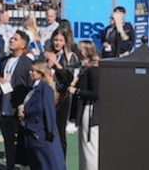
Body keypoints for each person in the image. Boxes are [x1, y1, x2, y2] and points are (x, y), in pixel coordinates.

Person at [19, 58, 65, 170]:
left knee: (48, 165)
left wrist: (50, 132)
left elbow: (49, 111)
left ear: (41, 73)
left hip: (41, 135)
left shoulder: (45, 89)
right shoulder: (33, 89)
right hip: (33, 134)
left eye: (33, 70)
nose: (30, 72)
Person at [0, 31, 34, 170]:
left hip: (17, 109)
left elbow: (30, 87)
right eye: (11, 38)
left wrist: (23, 105)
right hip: (4, 108)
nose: (11, 41)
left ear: (23, 44)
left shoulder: (27, 63)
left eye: (15, 39)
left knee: (19, 142)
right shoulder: (4, 60)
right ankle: (9, 166)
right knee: (8, 142)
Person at [43, 29, 79, 156]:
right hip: (46, 95)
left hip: (61, 97)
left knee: (60, 130)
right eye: (56, 40)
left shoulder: (68, 57)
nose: (57, 43)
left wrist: (57, 64)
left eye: (60, 41)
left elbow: (69, 78)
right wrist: (48, 64)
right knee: (46, 128)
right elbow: (39, 73)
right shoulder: (45, 55)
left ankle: (61, 160)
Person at [69, 40, 100, 170]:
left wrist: (77, 91)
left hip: (90, 110)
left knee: (90, 148)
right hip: (87, 110)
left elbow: (96, 93)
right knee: (85, 148)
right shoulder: (86, 69)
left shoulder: (93, 70)